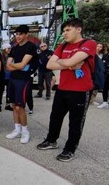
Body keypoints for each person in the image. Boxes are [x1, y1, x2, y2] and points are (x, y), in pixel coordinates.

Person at [37, 18, 96, 162]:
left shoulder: (88, 44)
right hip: (62, 88)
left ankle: (70, 149)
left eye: (68, 30)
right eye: (63, 31)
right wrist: (69, 66)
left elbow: (62, 62)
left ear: (78, 29)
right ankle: (51, 140)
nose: (64, 33)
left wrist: (63, 62)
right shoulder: (62, 46)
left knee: (75, 122)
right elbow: (50, 65)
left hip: (80, 90)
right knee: (55, 117)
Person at [5, 25, 38, 144]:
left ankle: (25, 131)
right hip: (13, 79)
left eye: (20, 34)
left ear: (26, 34)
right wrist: (17, 66)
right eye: (16, 34)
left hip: (24, 80)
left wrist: (16, 65)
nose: (18, 37)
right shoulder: (14, 48)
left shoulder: (31, 47)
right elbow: (7, 66)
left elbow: (21, 65)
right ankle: (17, 129)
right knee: (13, 105)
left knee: (20, 107)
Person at [1, 43, 12, 111]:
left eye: (10, 48)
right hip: (3, 75)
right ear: (4, 49)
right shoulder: (1, 56)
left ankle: (7, 104)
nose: (9, 49)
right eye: (8, 48)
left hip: (9, 75)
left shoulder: (11, 56)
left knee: (9, 91)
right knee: (1, 90)